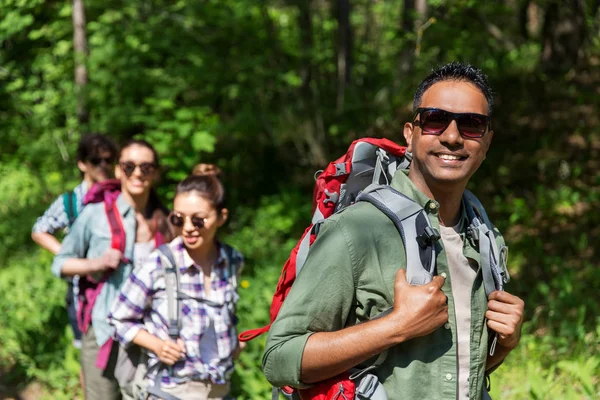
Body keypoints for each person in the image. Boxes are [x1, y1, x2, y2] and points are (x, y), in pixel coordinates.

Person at [262, 62, 525, 400]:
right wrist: (396, 327)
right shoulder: (356, 230)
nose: (452, 136)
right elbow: (279, 358)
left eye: (472, 125)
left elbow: (450, 373)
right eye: (434, 119)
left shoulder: (484, 238)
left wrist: (504, 345)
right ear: (410, 134)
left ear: (487, 142)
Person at [108, 165, 244, 400]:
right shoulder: (160, 263)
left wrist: (233, 343)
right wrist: (157, 345)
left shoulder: (233, 261)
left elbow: (225, 314)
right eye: (178, 219)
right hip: (169, 391)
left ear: (221, 217)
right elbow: (118, 317)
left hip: (219, 391)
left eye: (198, 220)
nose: (188, 228)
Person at [52, 139, 172, 400]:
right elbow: (60, 263)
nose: (137, 173)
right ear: (118, 170)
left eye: (146, 167)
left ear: (156, 173)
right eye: (129, 166)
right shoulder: (94, 214)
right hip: (105, 330)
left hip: (152, 335)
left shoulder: (166, 220)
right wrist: (96, 263)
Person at [32, 133, 117, 386]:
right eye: (95, 160)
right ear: (82, 163)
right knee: (88, 354)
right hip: (83, 292)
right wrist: (68, 257)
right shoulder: (70, 202)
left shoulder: (118, 197)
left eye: (108, 160)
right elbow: (40, 229)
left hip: (117, 289)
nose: (102, 166)